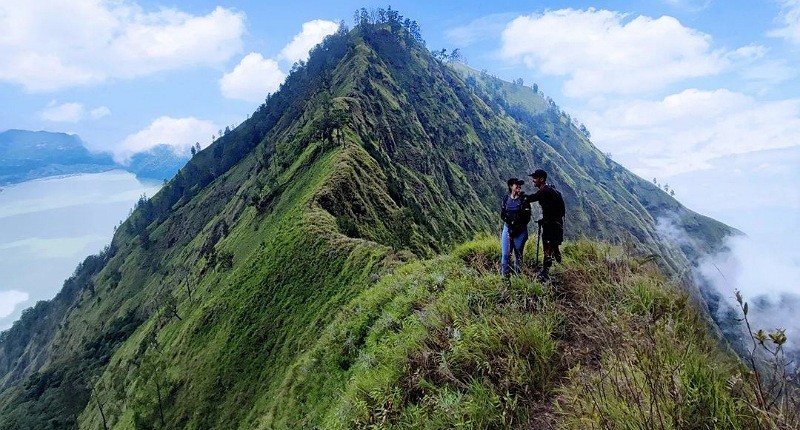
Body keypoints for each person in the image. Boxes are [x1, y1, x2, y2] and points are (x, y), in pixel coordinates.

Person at [524, 169, 565, 281]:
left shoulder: (545, 191)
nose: (533, 180)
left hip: (551, 225)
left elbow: (532, 198)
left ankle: (544, 273)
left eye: (535, 178)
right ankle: (555, 261)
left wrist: (521, 196)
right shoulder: (550, 189)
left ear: (541, 179)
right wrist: (544, 219)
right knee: (551, 246)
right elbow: (551, 209)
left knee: (547, 249)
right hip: (555, 224)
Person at [500, 177, 532, 277]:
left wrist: (516, 228)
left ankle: (517, 277)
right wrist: (511, 224)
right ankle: (504, 277)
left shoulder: (524, 199)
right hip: (508, 228)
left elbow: (526, 218)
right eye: (516, 184)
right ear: (510, 186)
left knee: (518, 254)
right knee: (505, 254)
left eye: (520, 184)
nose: (519, 186)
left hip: (520, 230)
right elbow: (503, 214)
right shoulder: (506, 198)